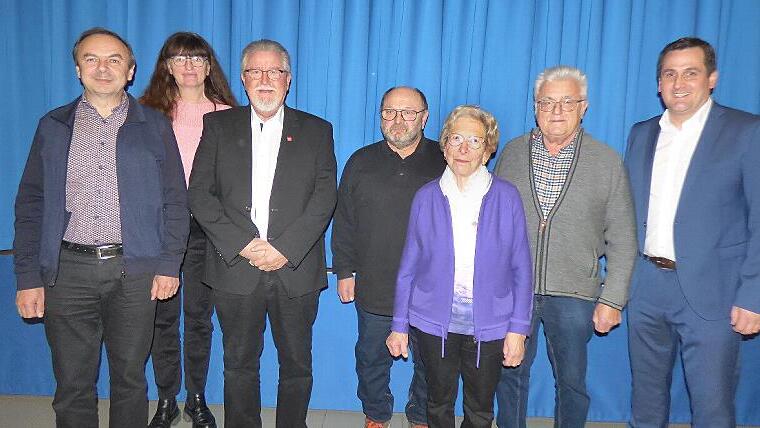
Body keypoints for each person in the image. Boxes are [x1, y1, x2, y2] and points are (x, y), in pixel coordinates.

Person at [13, 27, 188, 428]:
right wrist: (27, 277)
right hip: (67, 273)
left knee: (129, 380)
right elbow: (30, 205)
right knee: (72, 384)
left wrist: (168, 265)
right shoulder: (53, 126)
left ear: (130, 71)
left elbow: (176, 201)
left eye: (114, 60)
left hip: (135, 272)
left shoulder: (155, 126)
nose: (103, 68)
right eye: (91, 59)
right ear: (78, 69)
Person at [187, 39, 337, 428]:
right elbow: (199, 195)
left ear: (288, 79)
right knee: (238, 364)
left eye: (274, 71)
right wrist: (244, 245)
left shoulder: (317, 130)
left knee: (297, 365)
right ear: (243, 78)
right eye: (255, 71)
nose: (265, 79)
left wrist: (284, 249)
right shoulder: (218, 127)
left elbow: (325, 197)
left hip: (295, 268)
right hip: (235, 267)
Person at [625, 37, 760, 427]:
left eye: (690, 73)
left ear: (711, 78)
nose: (679, 83)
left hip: (715, 291)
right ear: (659, 84)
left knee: (712, 406)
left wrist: (753, 295)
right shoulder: (641, 133)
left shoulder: (746, 132)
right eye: (670, 74)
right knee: (645, 402)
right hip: (646, 286)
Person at [494, 66, 637, 428]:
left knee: (571, 382)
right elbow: (493, 222)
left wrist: (612, 299)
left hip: (575, 293)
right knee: (509, 376)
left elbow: (623, 236)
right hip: (515, 291)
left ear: (583, 107)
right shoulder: (512, 153)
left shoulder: (606, 161)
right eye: (547, 102)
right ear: (535, 107)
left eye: (567, 102)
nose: (556, 111)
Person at [386, 105, 533, 428]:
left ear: (488, 150)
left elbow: (522, 268)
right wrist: (399, 324)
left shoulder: (507, 197)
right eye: (456, 138)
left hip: (490, 324)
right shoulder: (426, 197)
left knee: (480, 409)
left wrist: (518, 330)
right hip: (434, 323)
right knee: (437, 403)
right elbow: (409, 266)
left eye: (475, 141)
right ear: (445, 145)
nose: (463, 148)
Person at [139, 32, 237, 428]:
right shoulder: (146, 113)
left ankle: (196, 398)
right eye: (180, 58)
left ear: (209, 66)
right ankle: (166, 399)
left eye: (197, 58)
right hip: (159, 230)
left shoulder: (229, 114)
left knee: (199, 318)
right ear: (167, 66)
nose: (189, 66)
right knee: (161, 319)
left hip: (206, 231)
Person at [332, 86, 445, 428]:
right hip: (376, 284)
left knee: (431, 362)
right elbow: (344, 219)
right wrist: (344, 270)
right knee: (370, 358)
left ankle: (421, 415)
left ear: (424, 117)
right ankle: (376, 413)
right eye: (389, 112)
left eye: (408, 112)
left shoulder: (446, 160)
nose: (398, 120)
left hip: (432, 287)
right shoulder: (360, 161)